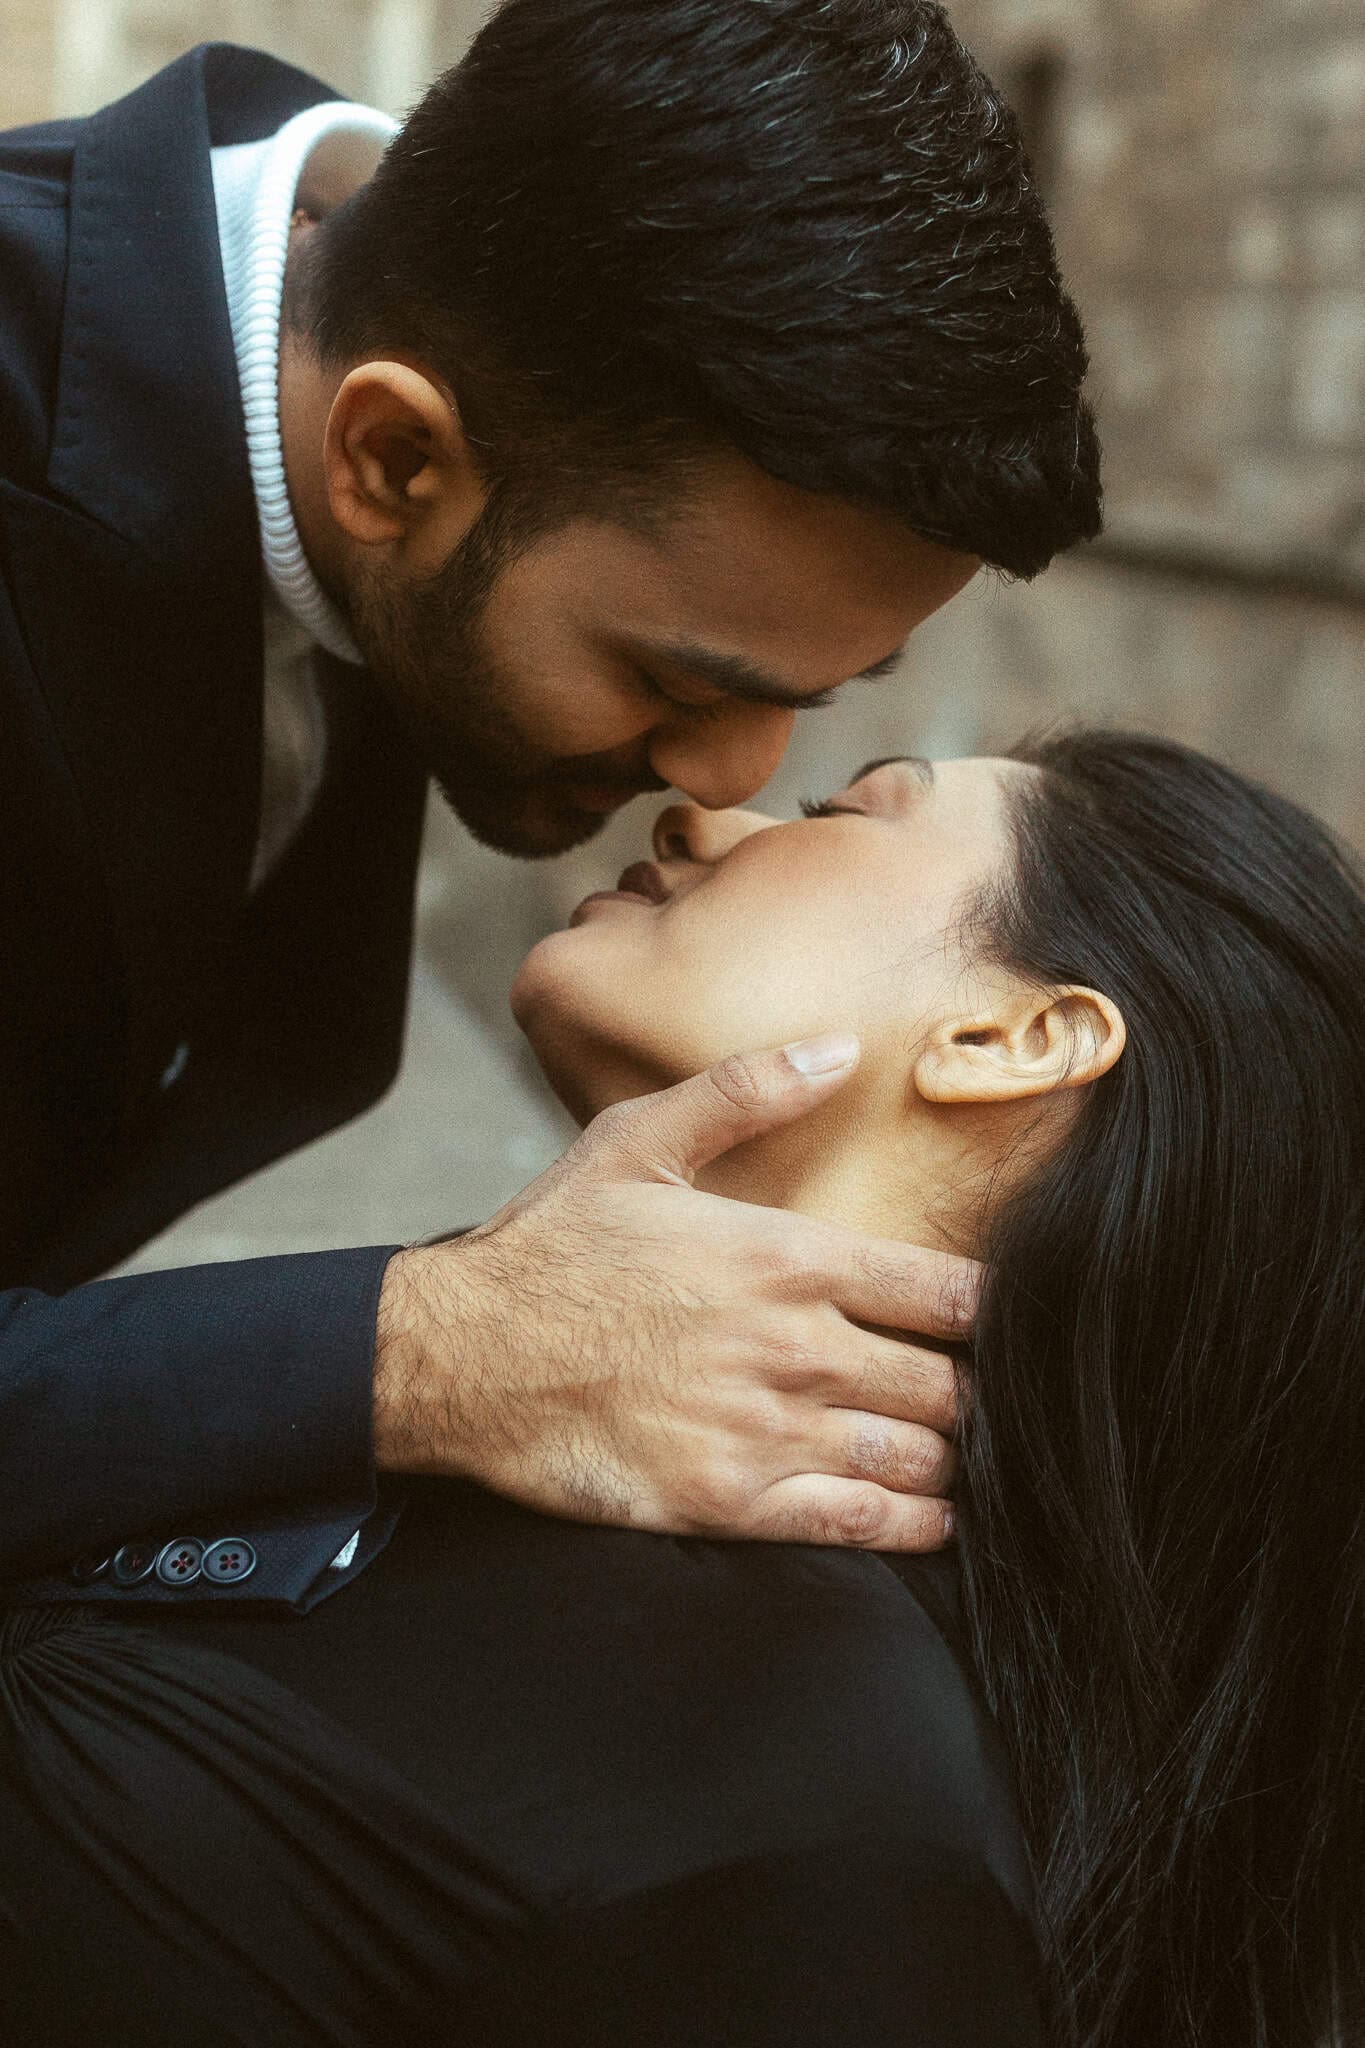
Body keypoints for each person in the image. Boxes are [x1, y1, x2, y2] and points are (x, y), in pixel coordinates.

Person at [2, 731, 1358, 2047]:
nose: (699, 813)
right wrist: (414, 1343)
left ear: (1011, 1036)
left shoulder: (821, 1815)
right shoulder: (394, 1387)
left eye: (842, 805)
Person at [0, 1, 1103, 1607]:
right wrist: (423, 1350)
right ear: (387, 460)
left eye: (817, 708)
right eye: (678, 680)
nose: (724, 787)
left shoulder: (451, 336)